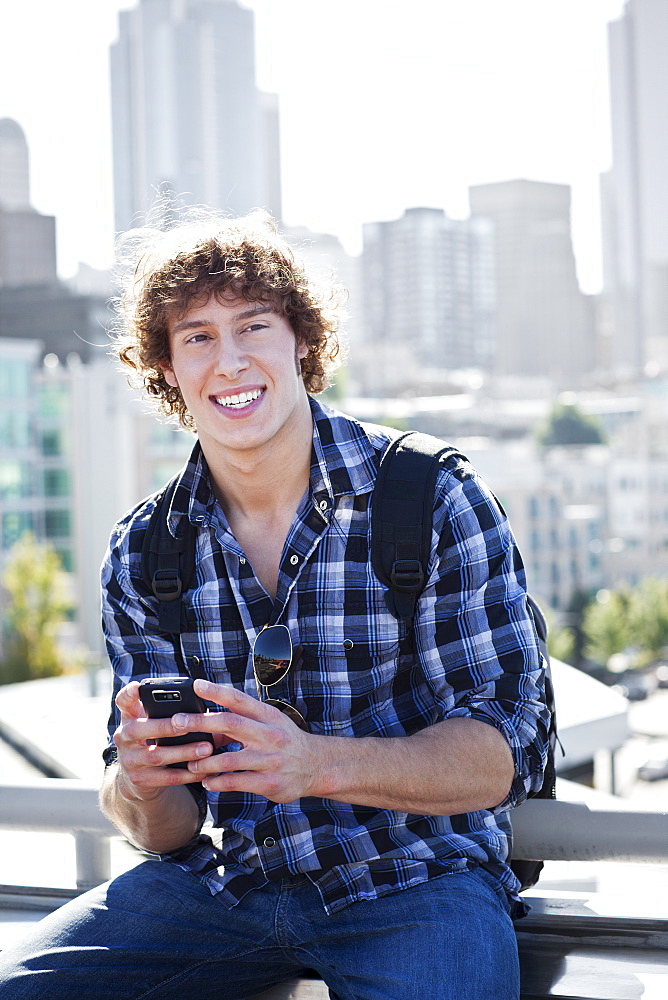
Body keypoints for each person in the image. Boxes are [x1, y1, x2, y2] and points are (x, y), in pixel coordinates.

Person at [0, 212, 550, 1000]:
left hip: (417, 883)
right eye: (196, 337)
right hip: (221, 888)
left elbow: (501, 756)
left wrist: (313, 762)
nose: (230, 362)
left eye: (253, 326)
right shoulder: (144, 549)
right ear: (167, 370)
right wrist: (142, 782)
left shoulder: (432, 495)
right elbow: (168, 830)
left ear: (301, 341)